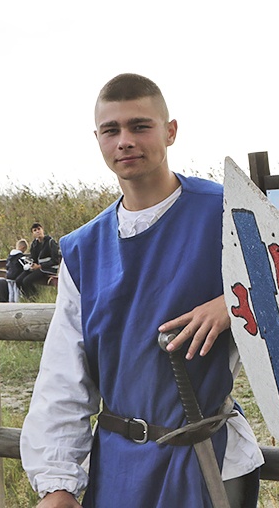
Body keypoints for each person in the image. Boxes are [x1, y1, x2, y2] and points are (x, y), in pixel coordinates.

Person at [20, 73, 263, 508]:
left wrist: (235, 302)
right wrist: (58, 483)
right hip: (118, 465)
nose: (125, 141)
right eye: (111, 130)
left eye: (140, 126)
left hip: (207, 456)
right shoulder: (83, 250)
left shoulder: (228, 212)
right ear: (97, 139)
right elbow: (64, 375)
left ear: (170, 131)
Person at [15, 223, 61, 297]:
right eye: (35, 230)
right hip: (38, 268)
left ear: (42, 230)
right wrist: (31, 264)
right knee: (18, 280)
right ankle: (27, 297)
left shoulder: (50, 242)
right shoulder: (34, 244)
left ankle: (35, 297)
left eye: (39, 229)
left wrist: (40, 266)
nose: (37, 231)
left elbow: (55, 260)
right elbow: (34, 258)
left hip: (48, 268)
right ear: (33, 233)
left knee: (27, 280)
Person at [5, 238, 30, 302]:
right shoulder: (20, 257)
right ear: (23, 247)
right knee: (16, 292)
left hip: (8, 276)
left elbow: (7, 266)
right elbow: (25, 266)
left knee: (11, 292)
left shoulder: (10, 256)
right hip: (15, 276)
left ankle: (10, 303)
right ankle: (16, 304)